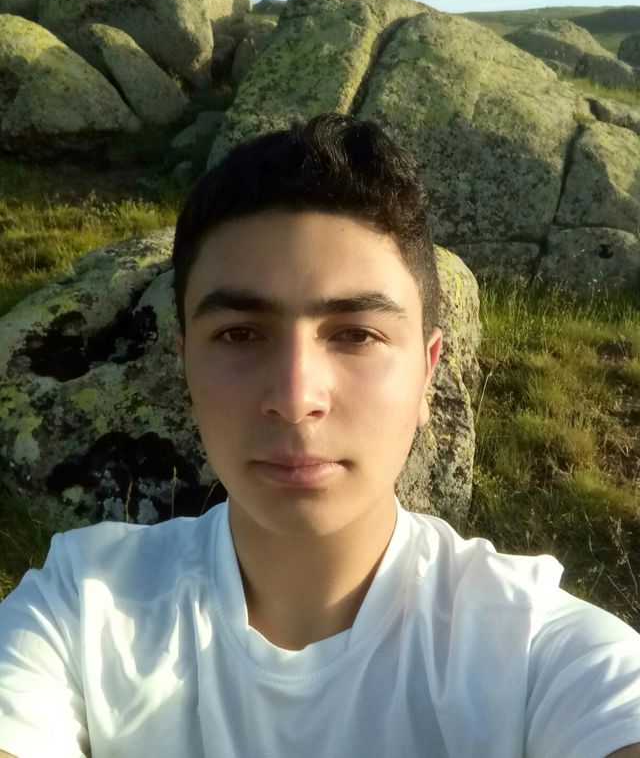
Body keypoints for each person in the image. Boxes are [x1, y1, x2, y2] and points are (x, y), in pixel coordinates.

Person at [0, 113, 639, 758]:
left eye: (357, 334)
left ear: (427, 373)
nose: (295, 398)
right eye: (239, 334)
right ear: (184, 362)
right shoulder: (80, 609)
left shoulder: (537, 651)